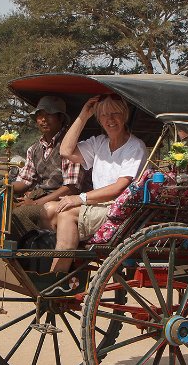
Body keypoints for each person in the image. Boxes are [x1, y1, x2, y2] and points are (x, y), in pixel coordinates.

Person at [43, 94, 147, 274]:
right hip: (97, 205)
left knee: (66, 215)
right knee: (49, 209)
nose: (110, 120)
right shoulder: (99, 142)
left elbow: (119, 188)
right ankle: (64, 263)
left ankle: (58, 277)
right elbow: (65, 150)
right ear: (99, 119)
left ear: (125, 116)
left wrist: (80, 198)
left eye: (115, 113)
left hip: (121, 209)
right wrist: (83, 115)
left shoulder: (135, 146)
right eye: (104, 115)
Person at [12, 95, 83, 207]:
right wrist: (6, 186)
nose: (43, 120)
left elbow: (72, 187)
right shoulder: (33, 149)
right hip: (38, 197)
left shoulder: (71, 147)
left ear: (60, 118)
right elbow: (25, 180)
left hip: (63, 202)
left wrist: (35, 203)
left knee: (21, 214)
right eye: (40, 115)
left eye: (49, 115)